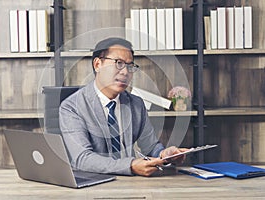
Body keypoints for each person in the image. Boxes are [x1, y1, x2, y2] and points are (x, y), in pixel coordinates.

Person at [59, 37, 187, 176]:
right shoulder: (72, 107)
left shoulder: (136, 104)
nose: (125, 72)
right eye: (118, 63)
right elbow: (82, 159)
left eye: (130, 66)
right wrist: (131, 165)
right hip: (90, 183)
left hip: (131, 183)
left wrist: (165, 154)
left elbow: (151, 147)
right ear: (97, 64)